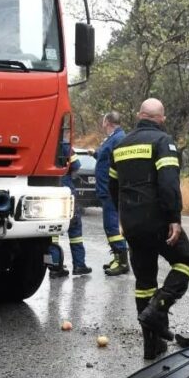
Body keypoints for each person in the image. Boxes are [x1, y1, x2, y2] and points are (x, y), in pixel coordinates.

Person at [109, 98, 189, 359]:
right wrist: (174, 218)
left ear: (139, 115)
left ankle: (153, 345)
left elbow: (113, 187)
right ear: (162, 118)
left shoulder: (121, 145)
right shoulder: (163, 142)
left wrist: (125, 215)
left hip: (132, 223)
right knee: (186, 260)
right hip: (157, 220)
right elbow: (169, 182)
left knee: (144, 282)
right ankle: (158, 307)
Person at [95, 112, 129, 276]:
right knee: (110, 225)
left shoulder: (118, 139)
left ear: (107, 121)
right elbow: (106, 159)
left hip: (111, 189)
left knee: (111, 225)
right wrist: (94, 154)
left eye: (103, 120)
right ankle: (117, 257)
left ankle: (122, 261)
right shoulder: (112, 138)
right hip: (106, 188)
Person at [49, 150, 92, 278]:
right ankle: (79, 266)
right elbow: (76, 165)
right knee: (75, 230)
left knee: (52, 232)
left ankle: (55, 268)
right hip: (65, 191)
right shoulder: (64, 145)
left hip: (48, 191)